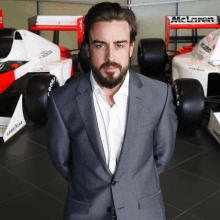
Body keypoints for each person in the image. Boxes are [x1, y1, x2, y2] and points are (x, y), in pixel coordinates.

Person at [46, 2, 178, 220]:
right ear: (87, 48)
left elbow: (161, 156)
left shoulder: (159, 95)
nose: (110, 57)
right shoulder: (62, 101)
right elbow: (62, 161)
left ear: (130, 46)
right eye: (100, 45)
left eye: (119, 45)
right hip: (86, 211)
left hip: (143, 210)